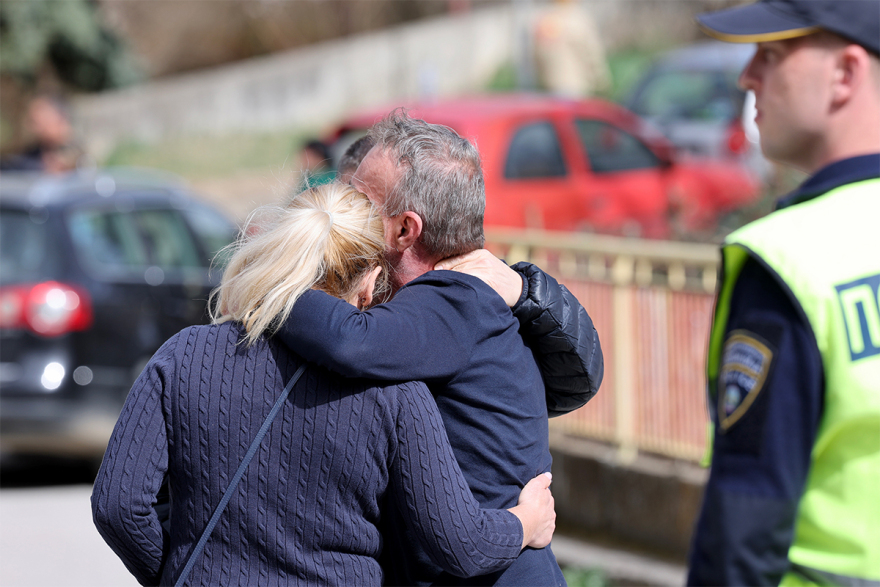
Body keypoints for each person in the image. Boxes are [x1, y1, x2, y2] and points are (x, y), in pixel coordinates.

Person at [91, 183, 558, 587]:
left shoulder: (184, 354)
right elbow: (459, 544)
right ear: (369, 282)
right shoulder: (394, 393)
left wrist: (175, 571)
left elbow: (118, 506)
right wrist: (525, 522)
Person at [276, 111, 604, 586]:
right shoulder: (450, 307)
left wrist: (270, 284)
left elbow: (350, 341)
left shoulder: (453, 304)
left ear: (406, 229)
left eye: (361, 203)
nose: (346, 214)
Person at [687, 1, 880, 585]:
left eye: (771, 54)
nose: (748, 77)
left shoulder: (791, 258)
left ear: (845, 73)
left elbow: (745, 535)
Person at [0, 93, 87, 173]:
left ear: (60, 118)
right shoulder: (32, 154)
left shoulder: (79, 157)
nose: (33, 128)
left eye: (38, 122)